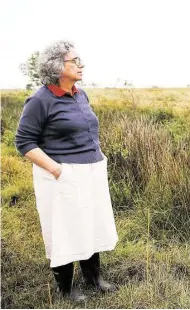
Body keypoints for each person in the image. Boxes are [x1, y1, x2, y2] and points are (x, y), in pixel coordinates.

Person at [15, 40, 119, 302]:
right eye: (75, 61)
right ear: (57, 66)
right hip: (61, 175)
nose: (81, 65)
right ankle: (66, 289)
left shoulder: (80, 93)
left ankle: (94, 279)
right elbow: (24, 142)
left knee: (90, 223)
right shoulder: (40, 100)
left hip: (91, 170)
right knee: (64, 229)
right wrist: (59, 171)